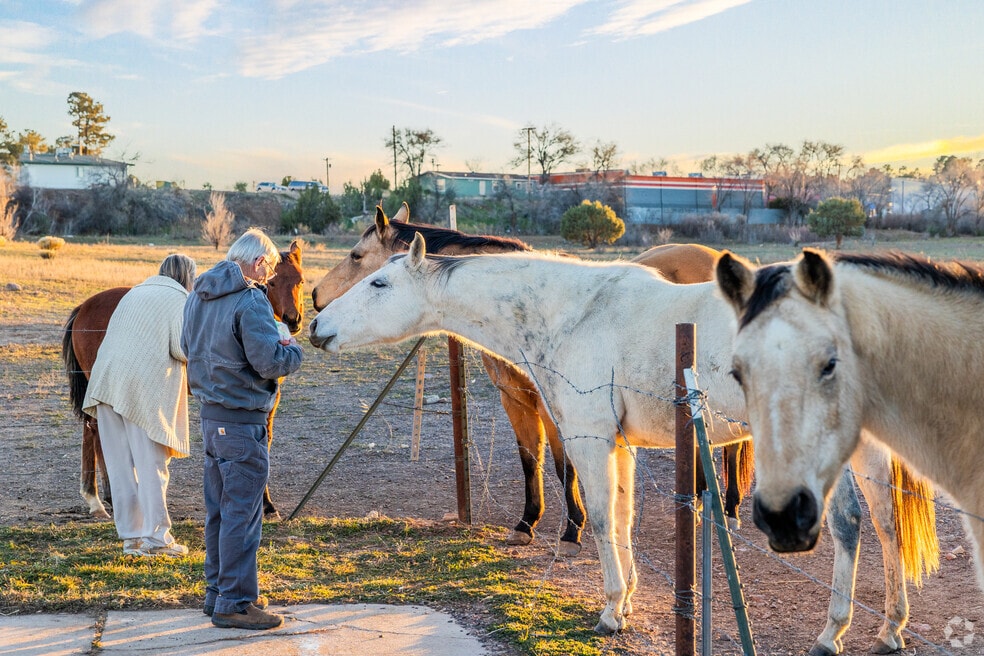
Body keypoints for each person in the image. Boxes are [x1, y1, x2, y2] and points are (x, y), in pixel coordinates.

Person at [182, 227, 303, 631]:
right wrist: (292, 351)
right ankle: (234, 602)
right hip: (241, 420)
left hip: (210, 417)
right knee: (243, 515)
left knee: (220, 511)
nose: (269, 278)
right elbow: (269, 362)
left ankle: (217, 592)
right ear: (259, 262)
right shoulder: (250, 300)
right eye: (269, 269)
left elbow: (186, 347)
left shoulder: (199, 293)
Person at [82, 253, 197, 558]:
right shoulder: (180, 299)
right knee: (151, 466)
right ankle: (158, 539)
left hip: (106, 385)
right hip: (141, 390)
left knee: (120, 467)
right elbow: (182, 348)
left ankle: (132, 539)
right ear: (188, 277)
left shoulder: (135, 292)